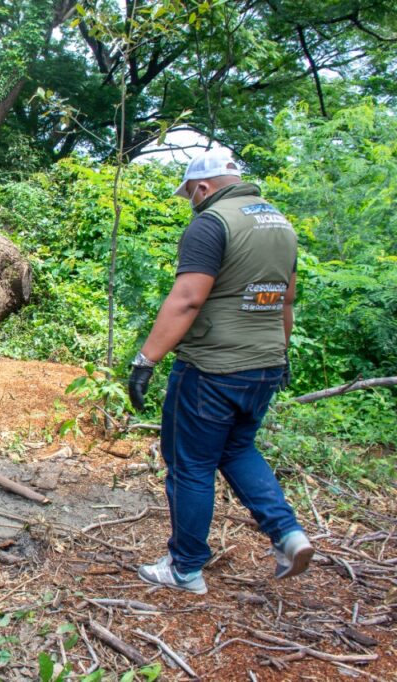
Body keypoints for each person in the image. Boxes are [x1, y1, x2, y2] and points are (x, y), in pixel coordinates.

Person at [128, 149, 313, 595]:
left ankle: (185, 567)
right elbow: (285, 302)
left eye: (190, 192)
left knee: (190, 465)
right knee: (237, 450)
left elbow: (188, 298)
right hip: (266, 363)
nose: (190, 199)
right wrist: (281, 353)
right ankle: (289, 536)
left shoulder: (212, 223)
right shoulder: (280, 225)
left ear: (204, 187)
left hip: (213, 367)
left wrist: (146, 359)